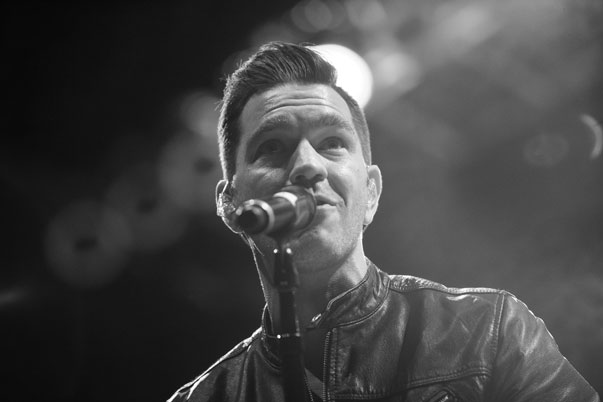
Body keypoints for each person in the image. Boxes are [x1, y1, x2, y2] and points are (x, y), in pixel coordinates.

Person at [168, 42, 599, 402]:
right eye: (272, 147)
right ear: (230, 204)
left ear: (371, 193)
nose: (307, 165)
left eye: (332, 142)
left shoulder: (489, 331)